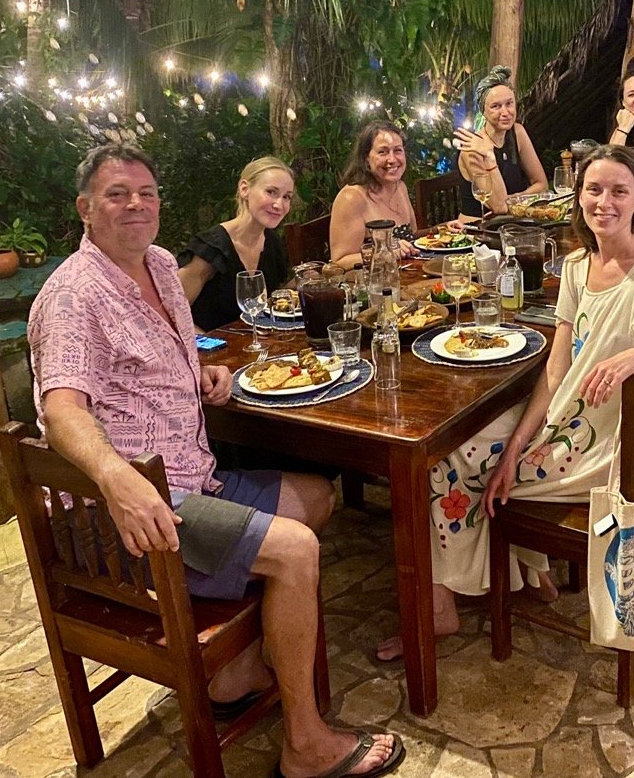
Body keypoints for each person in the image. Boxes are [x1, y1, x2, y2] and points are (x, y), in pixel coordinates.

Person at [29, 144, 403, 778]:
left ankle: (232, 676)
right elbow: (62, 409)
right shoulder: (72, 296)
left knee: (316, 498)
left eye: (146, 193)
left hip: (194, 479)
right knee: (295, 549)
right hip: (135, 517)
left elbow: (148, 364)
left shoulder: (157, 266)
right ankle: (306, 746)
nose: (136, 205)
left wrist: (202, 374)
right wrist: (117, 478)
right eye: (118, 194)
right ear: (85, 209)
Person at [374, 145, 634, 661]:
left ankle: (453, 598)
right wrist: (515, 448)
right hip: (565, 425)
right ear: (578, 197)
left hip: (609, 446)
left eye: (619, 191)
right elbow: (557, 371)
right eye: (593, 190)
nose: (604, 202)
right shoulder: (578, 266)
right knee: (462, 450)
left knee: (446, 464)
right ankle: (523, 571)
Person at [176, 156, 294, 332]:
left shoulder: (273, 242)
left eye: (287, 197)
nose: (279, 204)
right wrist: (213, 347)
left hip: (256, 347)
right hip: (210, 352)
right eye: (271, 192)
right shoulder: (211, 247)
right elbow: (172, 314)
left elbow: (276, 299)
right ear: (245, 189)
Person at [453, 66, 547, 217]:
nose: (505, 112)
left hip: (511, 223)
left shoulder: (518, 132)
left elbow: (541, 185)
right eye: (496, 106)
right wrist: (489, 155)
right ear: (483, 111)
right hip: (477, 231)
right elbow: (499, 206)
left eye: (509, 104)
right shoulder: (472, 148)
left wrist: (518, 198)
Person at [329, 120, 420, 268]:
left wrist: (441, 231)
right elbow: (340, 261)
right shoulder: (351, 198)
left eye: (397, 150)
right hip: (372, 284)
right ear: (366, 159)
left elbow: (413, 238)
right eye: (382, 152)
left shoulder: (400, 187)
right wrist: (387, 253)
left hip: (406, 276)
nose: (392, 159)